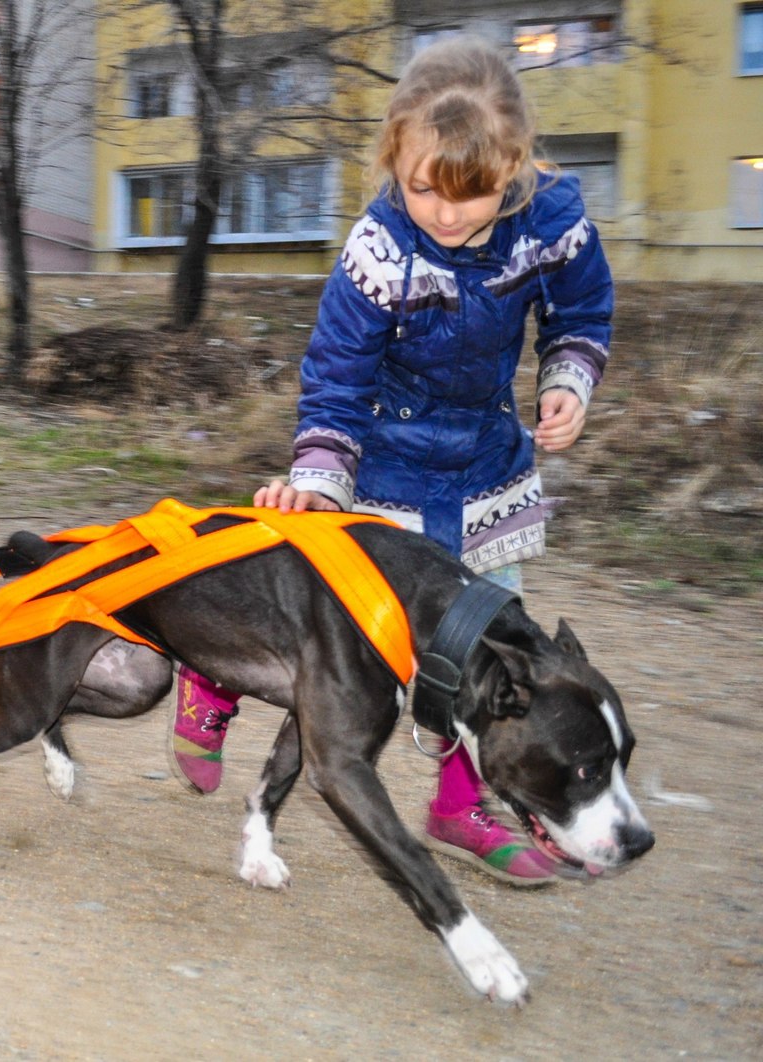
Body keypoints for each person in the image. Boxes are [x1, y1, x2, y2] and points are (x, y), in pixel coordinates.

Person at [171, 34, 613, 886]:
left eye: (475, 193)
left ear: (515, 166)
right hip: (380, 461)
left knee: (486, 649)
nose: (447, 214)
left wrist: (569, 380)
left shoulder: (554, 220)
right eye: (422, 190)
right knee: (328, 627)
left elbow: (583, 309)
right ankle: (213, 673)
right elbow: (336, 377)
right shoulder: (378, 250)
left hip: (483, 464)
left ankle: (457, 806)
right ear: (393, 160)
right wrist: (322, 484)